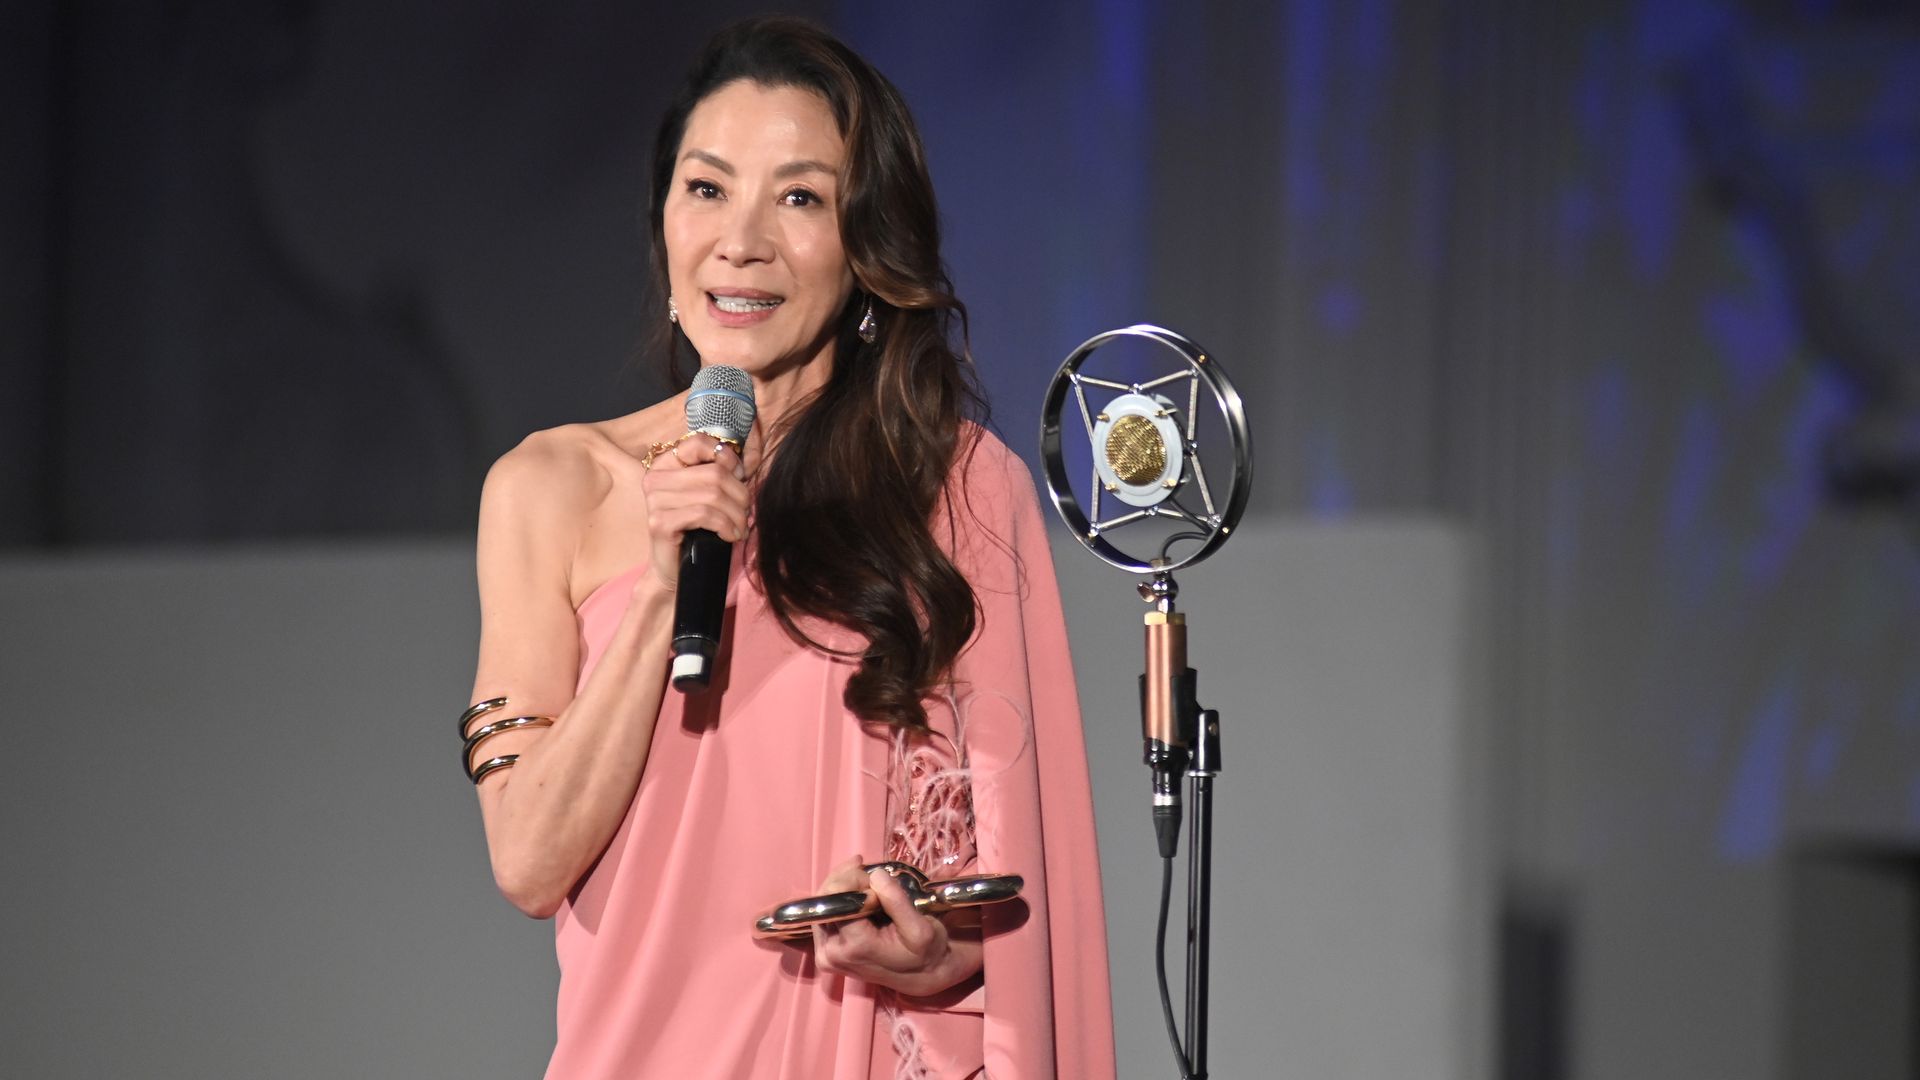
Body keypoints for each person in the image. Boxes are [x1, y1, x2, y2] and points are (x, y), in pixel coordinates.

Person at [462, 16, 1114, 1079]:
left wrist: (933, 958)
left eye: (800, 198)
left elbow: (1015, 887)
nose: (742, 240)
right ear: (663, 217)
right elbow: (530, 859)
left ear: (866, 245)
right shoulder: (553, 486)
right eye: (707, 188)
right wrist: (669, 581)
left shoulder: (953, 486)